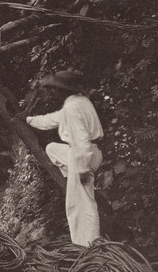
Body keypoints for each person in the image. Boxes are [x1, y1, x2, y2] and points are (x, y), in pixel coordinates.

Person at [22, 70, 104, 247]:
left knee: (81, 204)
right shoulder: (79, 102)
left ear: (64, 90)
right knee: (52, 148)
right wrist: (29, 120)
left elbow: (81, 141)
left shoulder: (73, 108)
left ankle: (89, 246)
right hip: (88, 152)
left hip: (84, 154)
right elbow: (52, 119)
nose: (53, 93)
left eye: (56, 89)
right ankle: (70, 173)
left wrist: (81, 169)